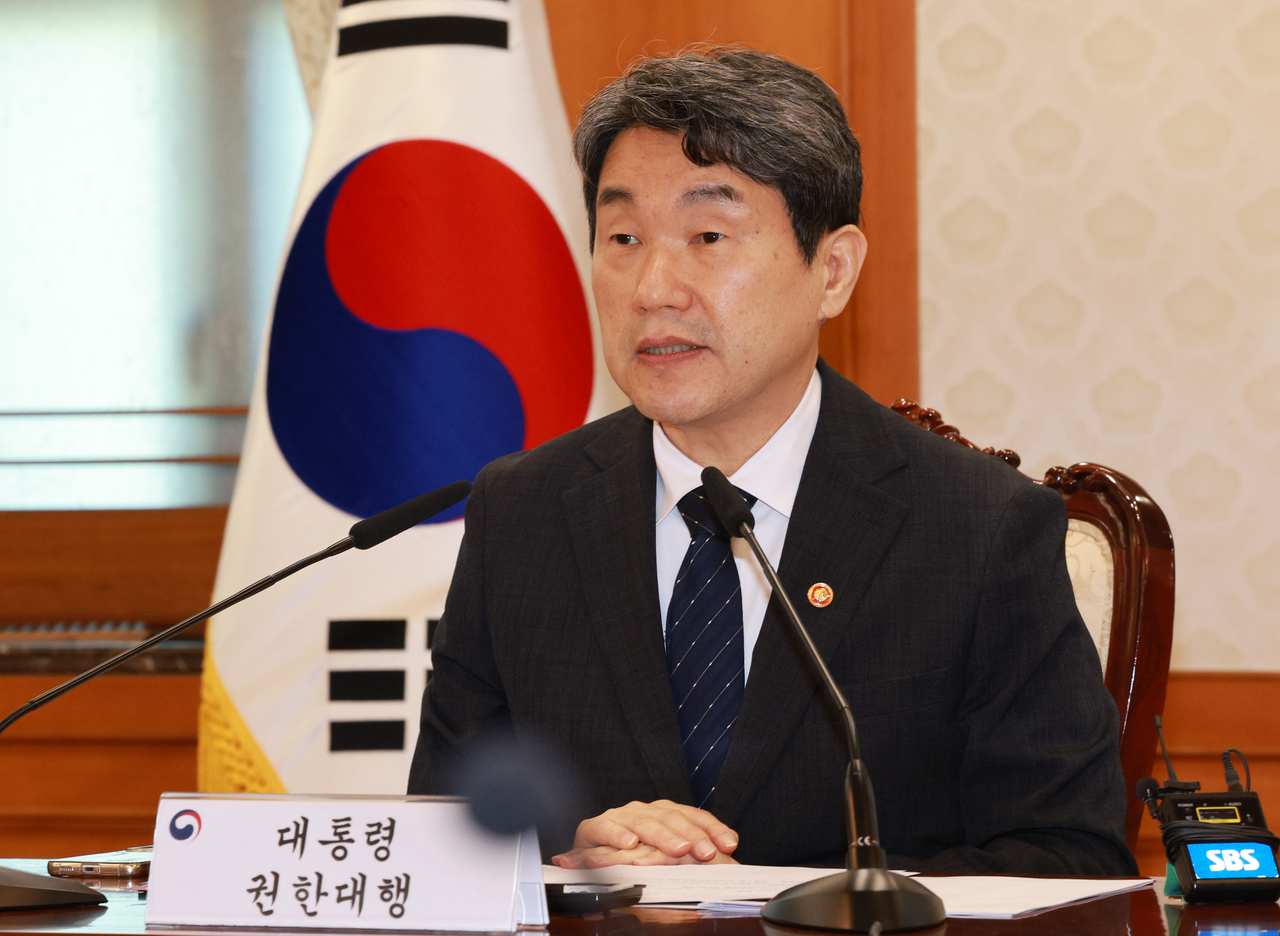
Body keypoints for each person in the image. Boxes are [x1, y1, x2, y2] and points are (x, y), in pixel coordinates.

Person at [408, 47, 1136, 875]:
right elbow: (441, 849)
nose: (653, 287)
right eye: (622, 237)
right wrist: (564, 868)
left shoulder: (980, 528)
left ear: (831, 271)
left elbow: (1069, 859)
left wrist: (783, 901)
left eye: (709, 234)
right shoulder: (522, 514)